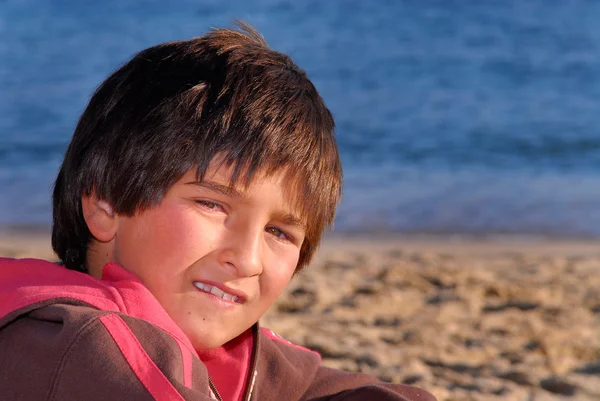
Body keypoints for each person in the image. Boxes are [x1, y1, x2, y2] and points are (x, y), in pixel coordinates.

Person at [0, 23, 436, 401]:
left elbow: (313, 386)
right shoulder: (78, 344)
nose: (246, 260)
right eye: (212, 204)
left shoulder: (229, 352)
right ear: (105, 206)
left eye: (280, 232)